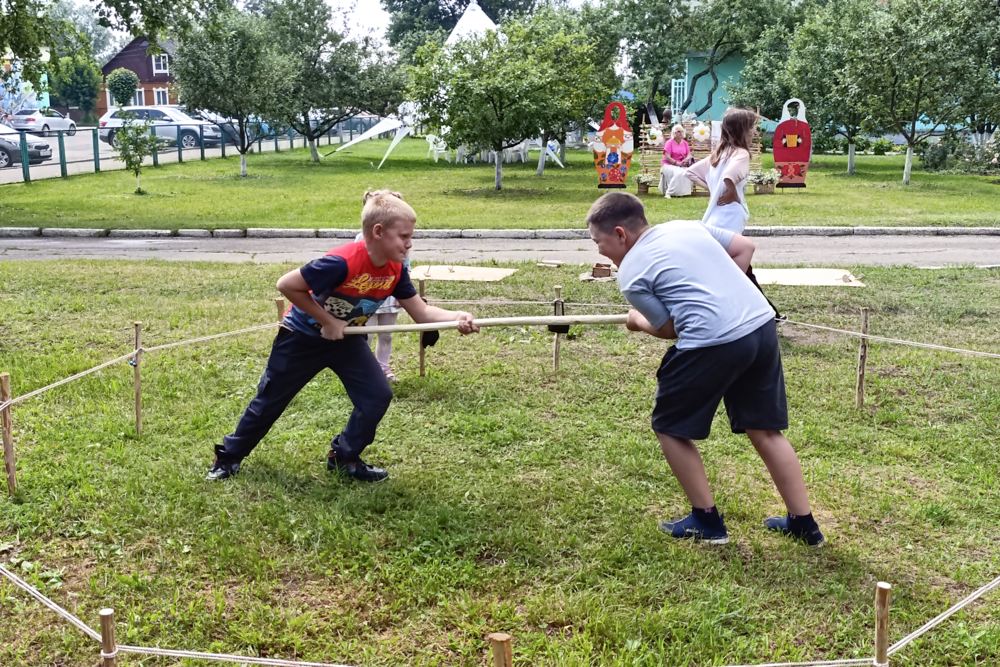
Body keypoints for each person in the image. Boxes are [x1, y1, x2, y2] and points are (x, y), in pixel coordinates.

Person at [586, 191, 824, 546]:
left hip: (714, 342)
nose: (599, 251)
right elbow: (745, 247)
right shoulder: (686, 227)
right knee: (765, 429)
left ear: (621, 234)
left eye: (599, 242)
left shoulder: (632, 273)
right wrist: (724, 295)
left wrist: (636, 320)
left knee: (669, 426)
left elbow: (668, 329)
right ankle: (804, 524)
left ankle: (707, 522)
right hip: (759, 325)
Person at [206, 190, 480, 483]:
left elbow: (422, 313)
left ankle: (344, 456)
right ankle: (229, 456)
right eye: (403, 236)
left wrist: (456, 318)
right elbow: (286, 284)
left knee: (377, 396)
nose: (409, 243)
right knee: (271, 399)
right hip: (301, 338)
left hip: (348, 340)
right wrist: (327, 320)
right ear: (378, 232)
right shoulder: (341, 262)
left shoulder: (396, 270)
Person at [686, 107, 781, 317]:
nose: (755, 132)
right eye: (752, 127)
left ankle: (768, 313)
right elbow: (730, 176)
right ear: (742, 130)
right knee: (732, 265)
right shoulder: (741, 154)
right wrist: (730, 192)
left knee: (740, 267)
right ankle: (758, 313)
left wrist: (714, 189)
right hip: (730, 217)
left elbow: (691, 172)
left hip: (713, 217)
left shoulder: (719, 154)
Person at [354, 229, 407, 382]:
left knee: (386, 334)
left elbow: (405, 265)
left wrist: (401, 295)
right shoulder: (361, 238)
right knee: (368, 334)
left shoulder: (401, 239)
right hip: (369, 295)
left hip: (390, 293)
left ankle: (383, 367)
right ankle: (366, 369)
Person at [659, 124, 694, 198]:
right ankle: (669, 192)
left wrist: (686, 160)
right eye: (678, 131)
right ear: (674, 133)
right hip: (668, 165)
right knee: (678, 172)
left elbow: (689, 154)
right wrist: (677, 163)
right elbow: (667, 156)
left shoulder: (685, 143)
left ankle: (680, 193)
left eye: (681, 131)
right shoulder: (669, 142)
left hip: (682, 164)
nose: (680, 133)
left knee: (687, 172)